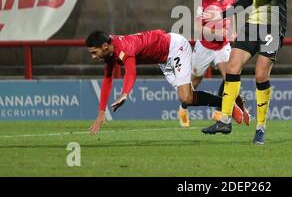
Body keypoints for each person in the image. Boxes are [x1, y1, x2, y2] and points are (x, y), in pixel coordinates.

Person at [201, 0, 290, 145]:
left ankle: (260, 128)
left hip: (272, 24)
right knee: (232, 67)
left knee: (261, 75)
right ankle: (224, 119)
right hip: (252, 24)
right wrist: (223, 14)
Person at [85, 29, 243, 134]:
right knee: (187, 97)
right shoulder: (111, 51)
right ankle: (227, 105)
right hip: (163, 60)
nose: (93, 56)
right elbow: (107, 79)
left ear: (105, 46)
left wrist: (125, 93)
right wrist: (101, 113)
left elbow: (131, 72)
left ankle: (227, 106)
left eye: (94, 52)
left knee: (186, 96)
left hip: (175, 47)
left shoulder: (124, 48)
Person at [178, 0, 250, 127]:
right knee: (195, 81)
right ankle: (183, 108)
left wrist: (233, 33)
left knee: (230, 77)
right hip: (204, 47)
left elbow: (232, 22)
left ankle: (219, 112)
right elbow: (197, 29)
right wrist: (217, 32)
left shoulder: (230, 1)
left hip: (222, 47)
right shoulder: (203, 3)